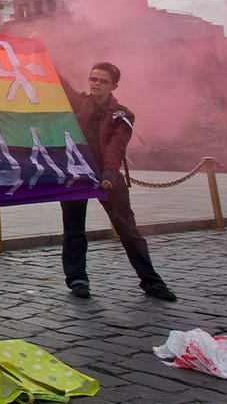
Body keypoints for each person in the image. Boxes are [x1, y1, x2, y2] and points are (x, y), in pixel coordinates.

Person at [60, 61, 176, 301]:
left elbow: (116, 147)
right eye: (94, 79)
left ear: (114, 85)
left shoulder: (123, 114)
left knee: (127, 229)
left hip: (107, 176)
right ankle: (77, 278)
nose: (97, 85)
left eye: (103, 81)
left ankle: (151, 281)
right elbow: (60, 83)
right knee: (74, 230)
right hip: (79, 174)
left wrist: (109, 174)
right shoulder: (79, 102)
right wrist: (39, 47)